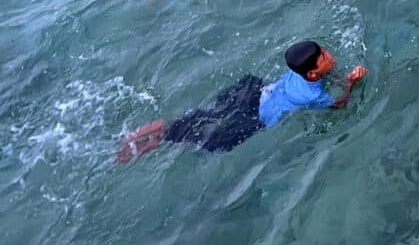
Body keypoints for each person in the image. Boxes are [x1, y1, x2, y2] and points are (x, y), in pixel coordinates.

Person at [116, 41, 367, 163]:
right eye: (323, 56)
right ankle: (155, 142)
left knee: (205, 115)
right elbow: (339, 104)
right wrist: (351, 83)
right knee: (206, 141)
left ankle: (153, 131)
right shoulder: (314, 95)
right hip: (255, 117)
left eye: (324, 52)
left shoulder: (301, 73)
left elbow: (319, 76)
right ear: (312, 74)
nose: (329, 55)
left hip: (252, 92)